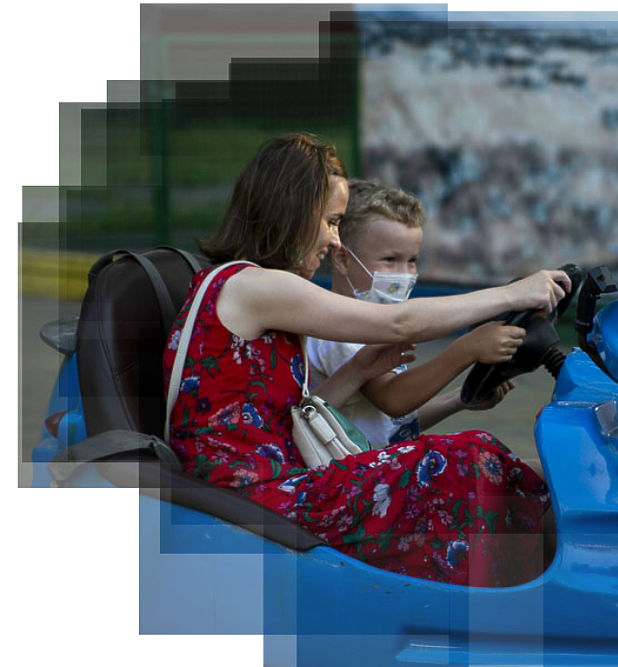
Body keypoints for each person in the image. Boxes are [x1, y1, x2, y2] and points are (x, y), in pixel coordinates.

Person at [163, 133, 569, 587]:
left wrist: (359, 370)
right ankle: (511, 593)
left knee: (483, 460)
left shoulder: (256, 293)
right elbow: (399, 323)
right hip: (252, 498)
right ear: (294, 211)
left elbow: (293, 418)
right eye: (331, 222)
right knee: (467, 457)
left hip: (270, 485)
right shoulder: (254, 286)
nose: (335, 241)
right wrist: (512, 294)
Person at [307, 179, 521, 445]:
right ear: (342, 259)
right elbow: (394, 399)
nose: (405, 274)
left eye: (412, 261)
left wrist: (460, 399)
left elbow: (393, 425)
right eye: (390, 260)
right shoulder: (339, 330)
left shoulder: (374, 327)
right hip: (355, 468)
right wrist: (467, 349)